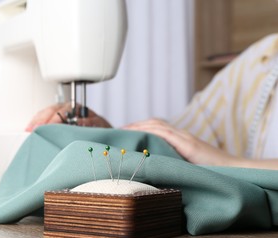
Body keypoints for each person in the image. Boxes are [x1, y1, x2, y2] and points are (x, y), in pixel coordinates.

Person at [26, 34, 278, 170]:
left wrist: (229, 163)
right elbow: (185, 139)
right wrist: (114, 137)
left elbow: (205, 154)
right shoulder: (262, 60)